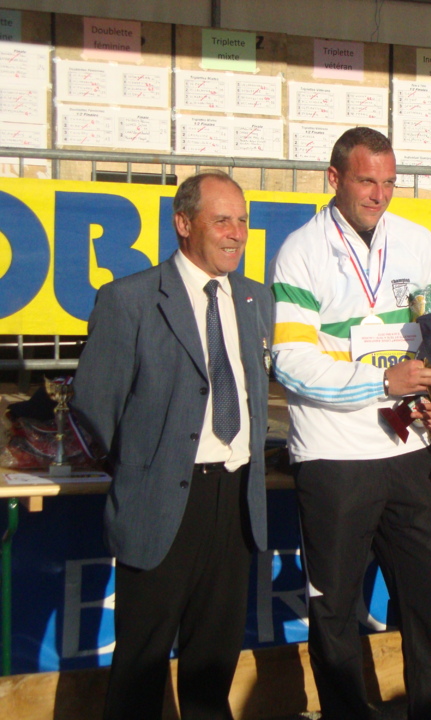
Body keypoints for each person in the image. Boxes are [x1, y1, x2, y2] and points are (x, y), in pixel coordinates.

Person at [269, 127, 431, 720]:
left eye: (387, 181)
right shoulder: (300, 251)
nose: (379, 194)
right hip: (334, 459)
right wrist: (382, 382)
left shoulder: (418, 243)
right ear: (335, 179)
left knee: (430, 599)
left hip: (409, 452)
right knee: (334, 612)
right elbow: (293, 362)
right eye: (366, 181)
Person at [72, 171, 273, 720]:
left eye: (243, 221)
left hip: (233, 503)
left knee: (213, 664)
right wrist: (147, 462)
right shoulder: (129, 300)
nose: (236, 233)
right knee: (141, 667)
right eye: (222, 220)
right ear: (183, 224)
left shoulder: (256, 298)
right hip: (162, 501)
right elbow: (95, 402)